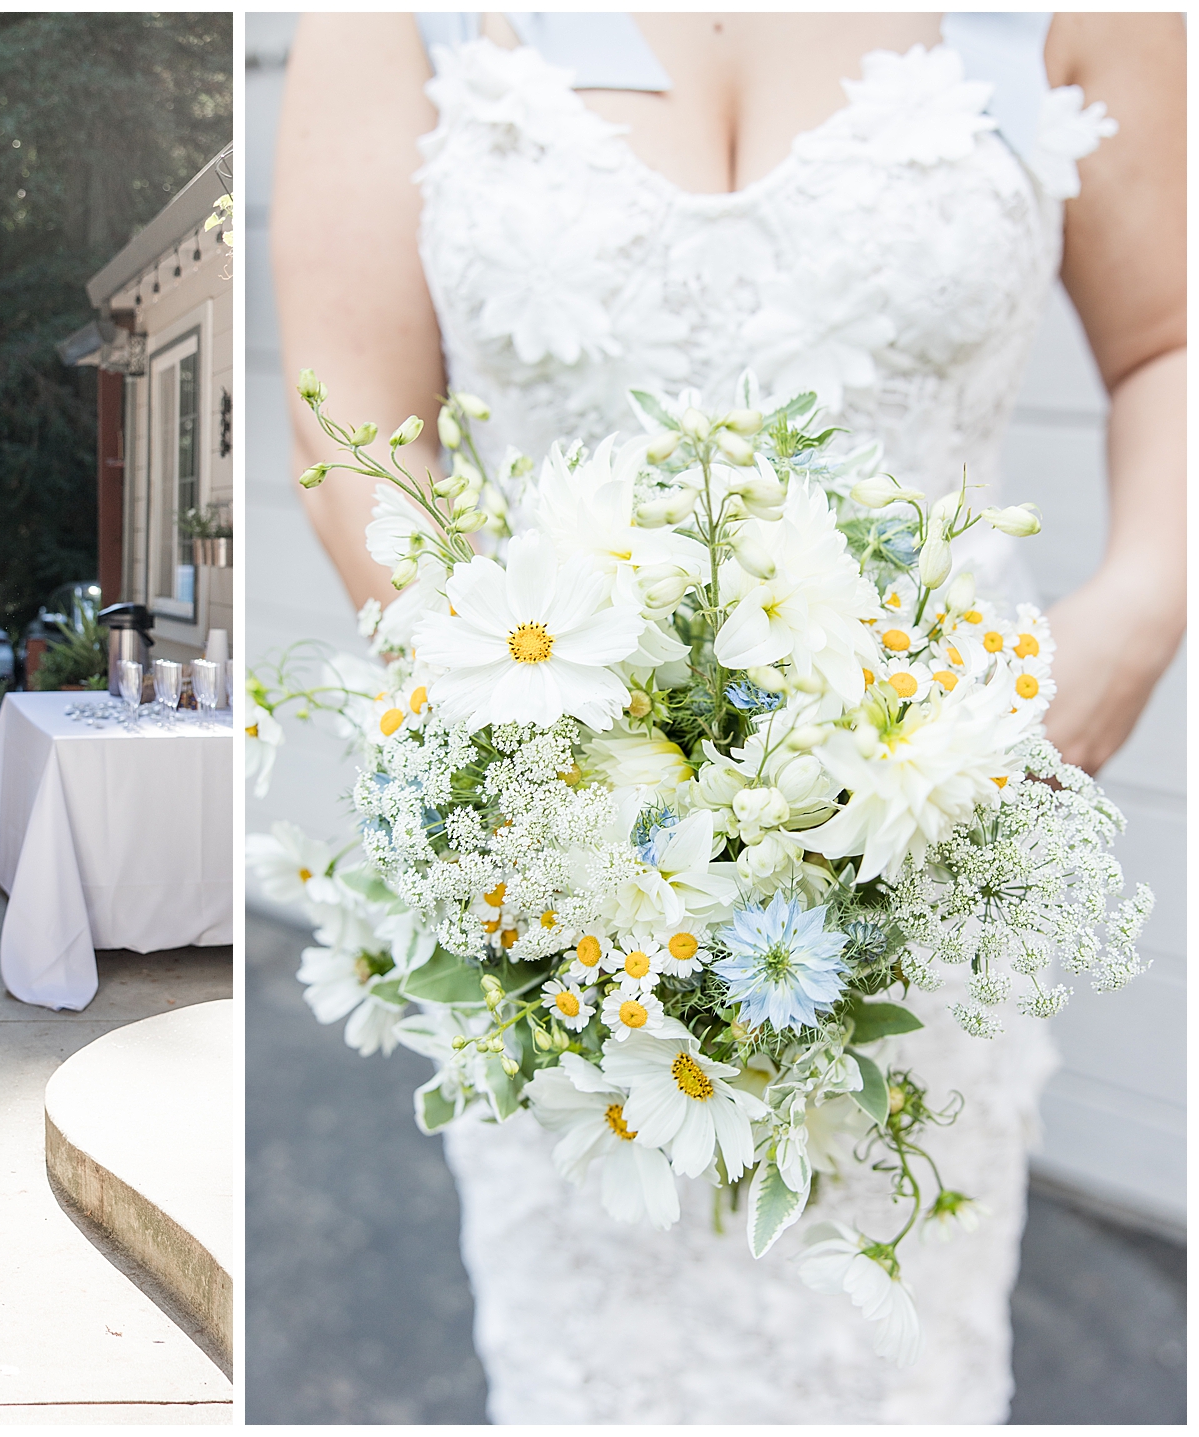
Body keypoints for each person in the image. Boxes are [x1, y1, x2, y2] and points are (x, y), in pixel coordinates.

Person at [272, 12, 1183, 1423]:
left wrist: (1140, 600)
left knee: (888, 1356)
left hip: (922, 861)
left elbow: (1168, 338)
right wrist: (525, 741)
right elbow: (358, 427)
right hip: (564, 870)